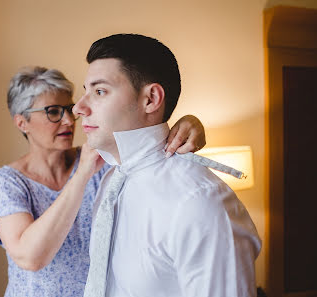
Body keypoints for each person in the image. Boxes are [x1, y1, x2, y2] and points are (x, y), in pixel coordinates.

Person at [0, 66, 207, 297]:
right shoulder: (5, 181)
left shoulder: (103, 158)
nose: (69, 121)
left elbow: (149, 150)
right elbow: (30, 257)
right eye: (53, 112)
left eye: (69, 109)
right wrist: (82, 174)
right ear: (22, 123)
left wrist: (190, 123)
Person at [74, 34, 262, 297]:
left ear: (150, 99)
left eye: (99, 91)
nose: (78, 107)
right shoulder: (110, 183)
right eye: (85, 91)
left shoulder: (200, 202)